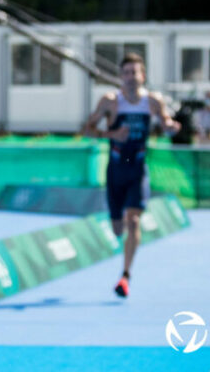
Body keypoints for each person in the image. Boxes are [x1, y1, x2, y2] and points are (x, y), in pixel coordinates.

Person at [84, 53, 179, 298]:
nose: (130, 78)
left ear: (142, 76)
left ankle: (125, 275)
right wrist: (111, 135)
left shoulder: (153, 101)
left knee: (134, 219)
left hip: (137, 167)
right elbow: (86, 129)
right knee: (118, 228)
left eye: (134, 73)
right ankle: (120, 236)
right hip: (116, 169)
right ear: (120, 77)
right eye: (126, 73)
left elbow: (167, 124)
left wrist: (172, 128)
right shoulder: (110, 101)